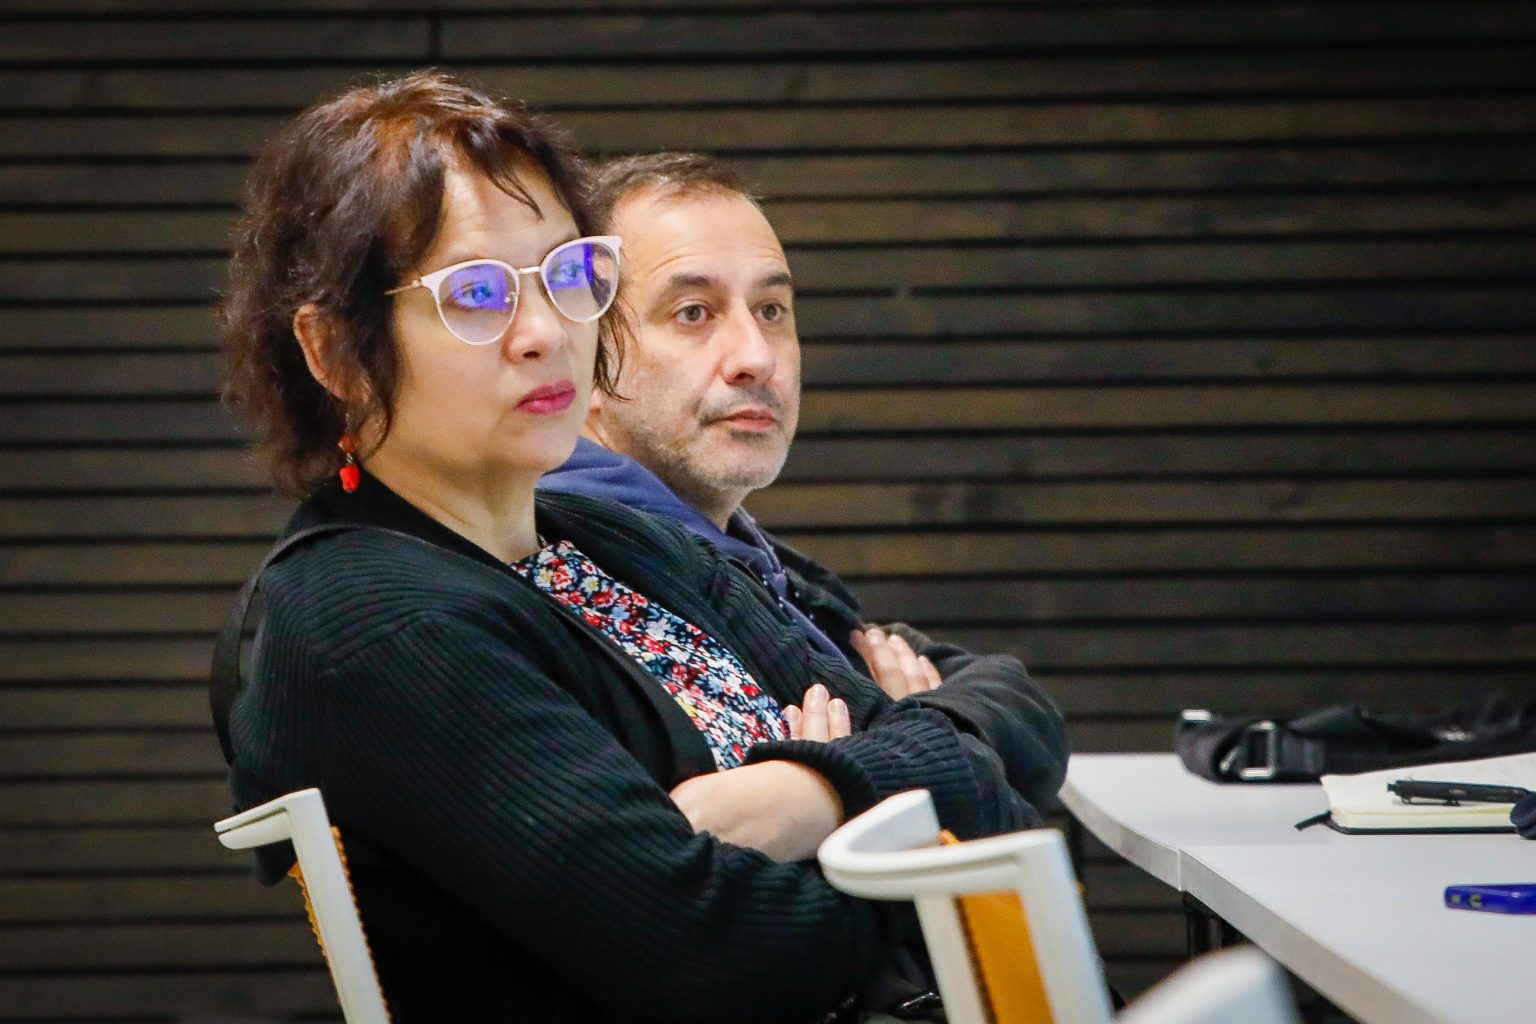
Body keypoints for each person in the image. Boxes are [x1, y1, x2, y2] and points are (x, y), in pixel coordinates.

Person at [216, 71, 1048, 1023]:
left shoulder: (605, 539)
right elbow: (726, 955)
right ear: (335, 352)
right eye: (477, 294)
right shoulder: (374, 622)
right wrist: (899, 837)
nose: (545, 332)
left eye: (567, 275)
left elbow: (981, 780)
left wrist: (811, 795)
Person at [541, 152, 1068, 812]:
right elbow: (989, 799)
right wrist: (934, 752)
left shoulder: (746, 555)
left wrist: (919, 738)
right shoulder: (591, 576)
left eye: (771, 310)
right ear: (584, 359)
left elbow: (1024, 711)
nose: (756, 357)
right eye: (693, 312)